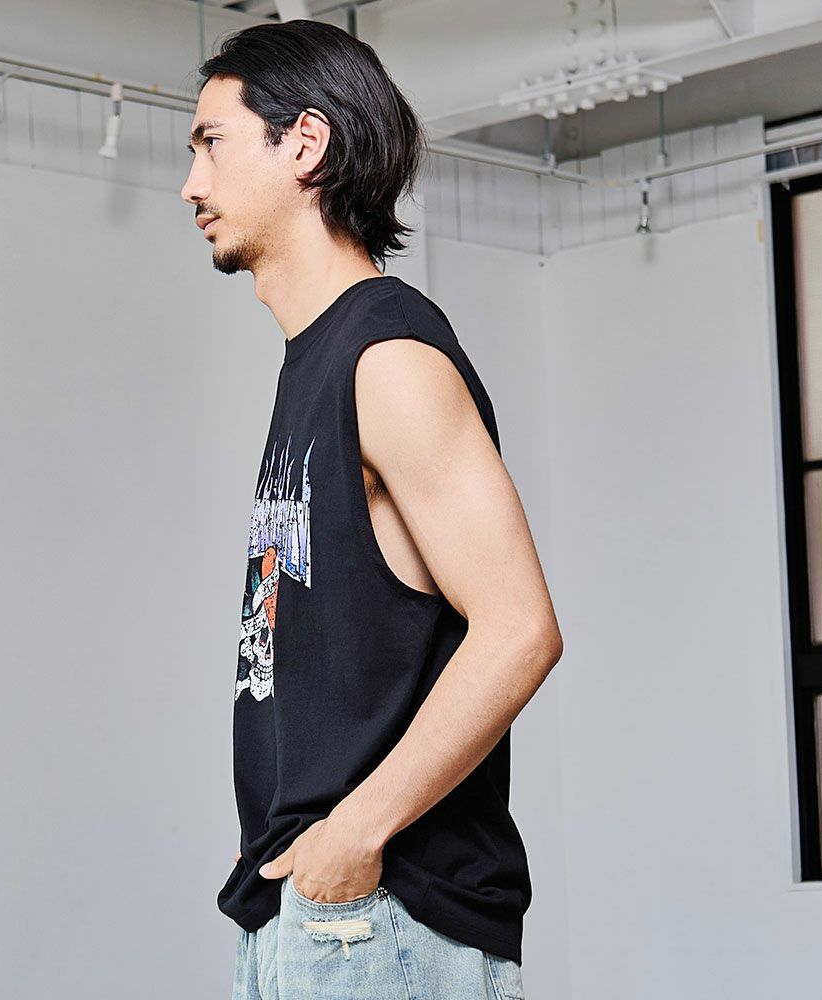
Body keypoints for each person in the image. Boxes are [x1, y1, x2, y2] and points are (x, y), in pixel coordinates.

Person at [181, 18, 563, 1000]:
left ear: (304, 144)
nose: (191, 185)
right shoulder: (314, 361)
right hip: (307, 909)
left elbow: (519, 628)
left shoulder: (388, 357)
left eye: (212, 143)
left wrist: (354, 833)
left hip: (382, 913)